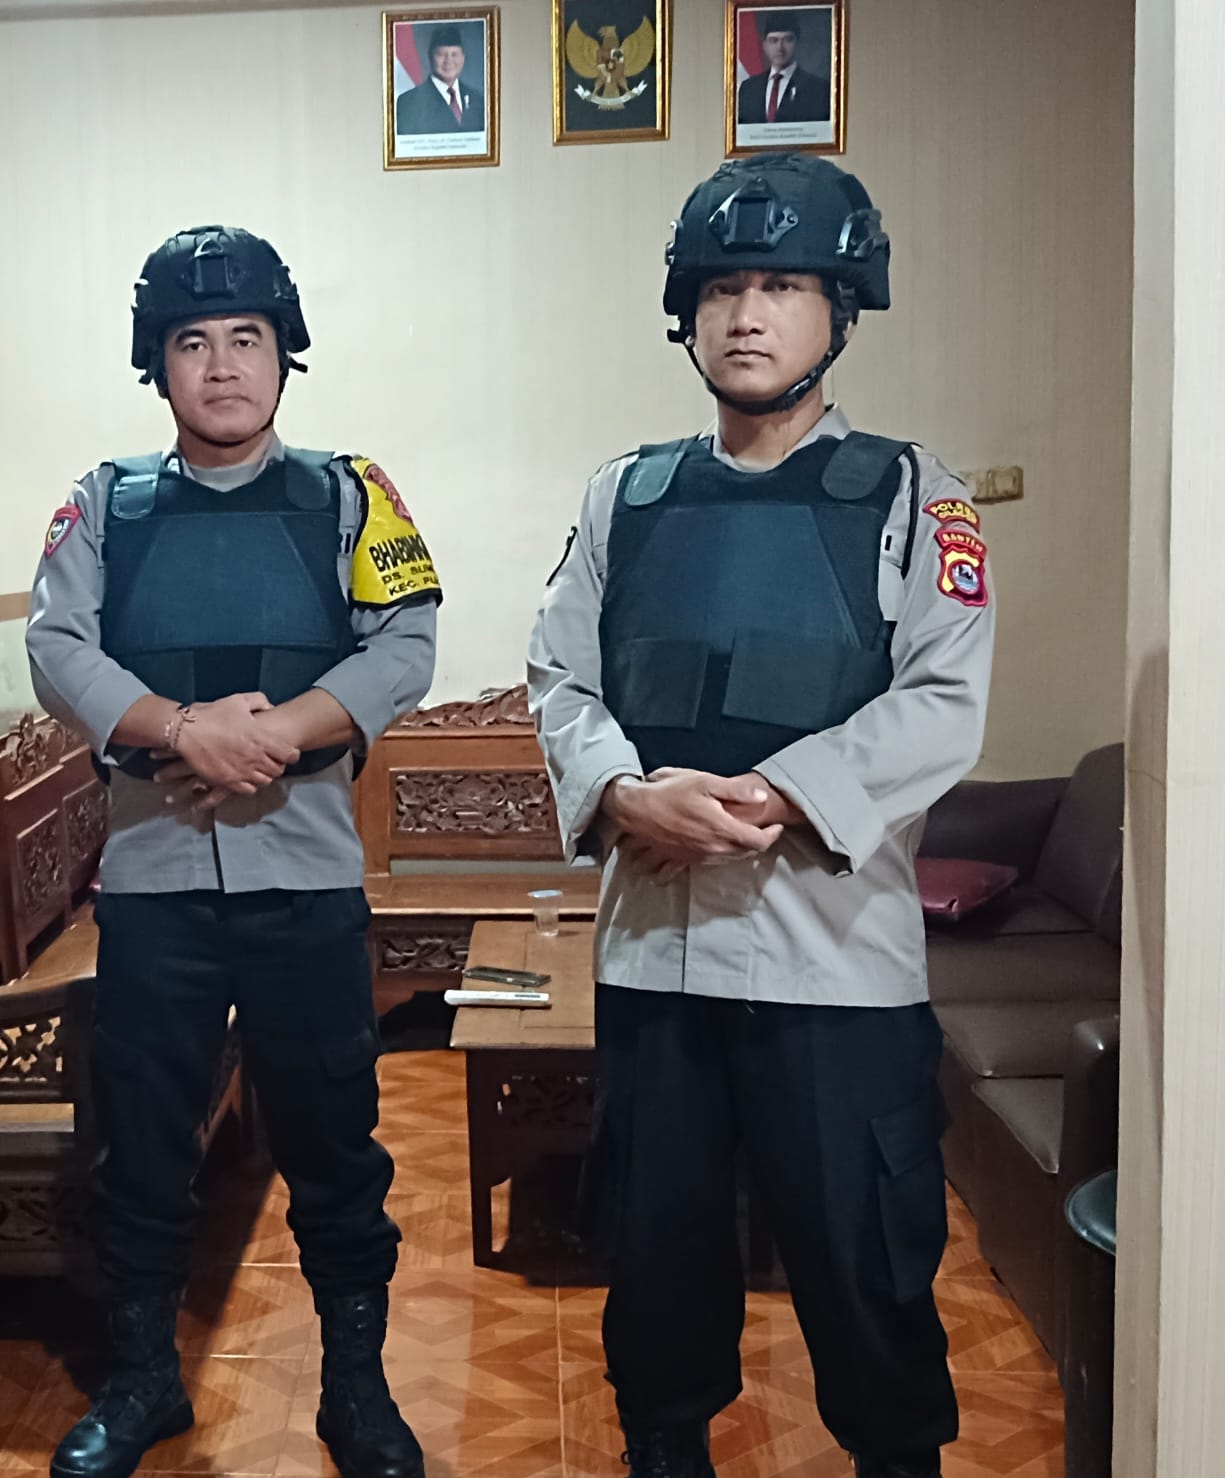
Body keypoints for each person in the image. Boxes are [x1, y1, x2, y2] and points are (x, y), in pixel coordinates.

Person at [527, 154, 994, 1478]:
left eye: (783, 284)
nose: (747, 314)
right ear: (686, 307)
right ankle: (664, 1447)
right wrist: (625, 791)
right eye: (723, 285)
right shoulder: (625, 495)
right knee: (657, 1261)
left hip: (833, 967)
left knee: (866, 1265)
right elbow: (558, 675)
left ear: (840, 308)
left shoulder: (914, 495)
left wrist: (780, 793)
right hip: (655, 958)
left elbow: (944, 698)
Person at [27, 225, 441, 1478]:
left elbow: (404, 642)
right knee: (143, 1147)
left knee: (335, 1145)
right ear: (156, 364)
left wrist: (273, 734)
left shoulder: (352, 492)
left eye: (245, 339)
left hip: (304, 878)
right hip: (153, 887)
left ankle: (357, 1390)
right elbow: (56, 645)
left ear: (283, 354)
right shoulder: (105, 502)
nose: (220, 365)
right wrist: (177, 727)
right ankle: (145, 1378)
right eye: (192, 342)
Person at [736, 10, 830, 125]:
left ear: (797, 43)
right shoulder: (748, 89)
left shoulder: (819, 89)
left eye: (787, 40)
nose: (780, 48)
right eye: (773, 40)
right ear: (765, 45)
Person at [396, 22, 486, 134]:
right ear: (430, 56)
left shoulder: (478, 100)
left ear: (463, 57)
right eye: (441, 54)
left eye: (454, 54)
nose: (448, 61)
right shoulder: (409, 102)